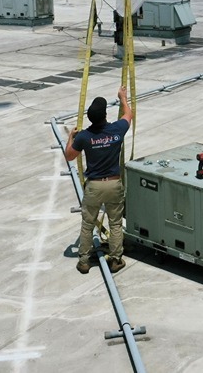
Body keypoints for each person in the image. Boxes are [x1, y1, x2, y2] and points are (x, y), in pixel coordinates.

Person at [64, 86, 132, 274]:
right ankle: (116, 259)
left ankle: (84, 261)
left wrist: (71, 137)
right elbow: (128, 115)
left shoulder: (85, 136)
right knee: (115, 223)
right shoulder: (117, 129)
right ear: (105, 115)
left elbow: (69, 156)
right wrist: (123, 98)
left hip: (94, 186)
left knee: (87, 224)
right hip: (113, 183)